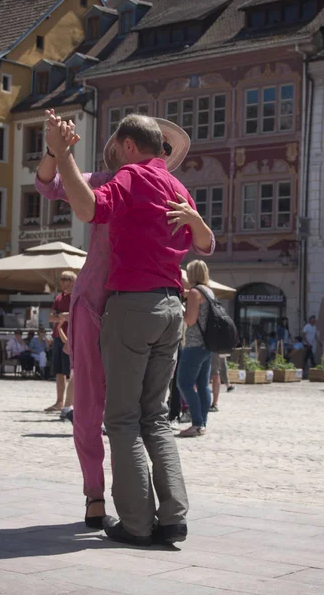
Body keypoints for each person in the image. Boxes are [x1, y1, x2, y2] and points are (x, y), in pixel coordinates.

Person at [46, 112, 214, 546]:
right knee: (155, 418)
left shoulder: (133, 178)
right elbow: (207, 245)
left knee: (120, 419)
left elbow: (87, 208)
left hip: (131, 305)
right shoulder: (176, 186)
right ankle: (173, 517)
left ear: (127, 145)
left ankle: (137, 523)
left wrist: (63, 153)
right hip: (170, 306)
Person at [177, 261, 215, 437]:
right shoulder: (209, 292)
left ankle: (197, 423)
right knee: (202, 385)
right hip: (207, 345)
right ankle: (202, 424)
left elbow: (190, 320)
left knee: (184, 383)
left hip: (194, 345)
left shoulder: (194, 292)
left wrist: (180, 310)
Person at [46, 271, 75, 412]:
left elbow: (77, 316)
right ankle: (59, 402)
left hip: (72, 338)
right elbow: (51, 318)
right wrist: (63, 317)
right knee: (59, 371)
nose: (62, 281)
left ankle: (69, 404)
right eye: (62, 279)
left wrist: (63, 316)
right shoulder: (59, 298)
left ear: (73, 281)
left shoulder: (76, 297)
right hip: (58, 337)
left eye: (66, 279)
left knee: (72, 372)